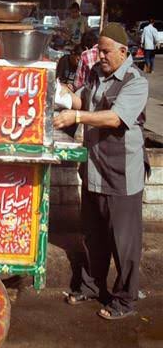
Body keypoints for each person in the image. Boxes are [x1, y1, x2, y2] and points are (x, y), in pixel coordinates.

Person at [53, 23, 149, 320]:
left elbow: (114, 118)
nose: (101, 56)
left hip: (121, 174)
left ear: (123, 51)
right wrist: (59, 94)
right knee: (93, 235)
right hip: (94, 169)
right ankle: (92, 286)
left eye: (106, 52)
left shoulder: (135, 81)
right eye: (99, 51)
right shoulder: (97, 73)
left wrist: (77, 116)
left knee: (124, 242)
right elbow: (82, 99)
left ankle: (125, 300)